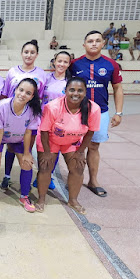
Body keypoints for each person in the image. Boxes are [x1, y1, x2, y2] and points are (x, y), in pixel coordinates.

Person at [36, 77, 101, 214]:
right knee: (45, 167)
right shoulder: (53, 107)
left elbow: (90, 132)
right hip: (50, 141)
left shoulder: (93, 109)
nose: (75, 93)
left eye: (80, 90)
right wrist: (47, 152)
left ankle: (73, 200)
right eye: (72, 90)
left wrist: (80, 151)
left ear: (85, 92)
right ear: (65, 91)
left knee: (78, 168)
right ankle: (41, 199)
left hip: (72, 142)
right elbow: (44, 131)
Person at [70, 30, 123, 197]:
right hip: (77, 111)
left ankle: (93, 180)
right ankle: (73, 178)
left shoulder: (111, 64)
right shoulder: (74, 64)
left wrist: (119, 112)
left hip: (101, 112)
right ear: (84, 44)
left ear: (103, 44)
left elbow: (117, 88)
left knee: (93, 146)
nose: (94, 43)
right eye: (90, 41)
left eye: (97, 41)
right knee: (73, 146)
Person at [0, 78, 41, 210]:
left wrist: (27, 153)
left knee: (27, 164)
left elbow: (28, 133)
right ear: (15, 90)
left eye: (28, 93)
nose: (23, 94)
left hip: (18, 138)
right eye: (21, 90)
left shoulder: (32, 110)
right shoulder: (2, 106)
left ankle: (24, 196)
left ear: (32, 96)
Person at [0, 39, 46, 189]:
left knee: (25, 147)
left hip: (30, 116)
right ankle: (7, 176)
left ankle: (24, 180)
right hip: (12, 115)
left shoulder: (41, 74)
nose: (29, 55)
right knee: (10, 146)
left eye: (32, 52)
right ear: (21, 53)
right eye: (26, 52)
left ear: (37, 55)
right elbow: (6, 94)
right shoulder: (12, 71)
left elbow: (40, 96)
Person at [32, 51, 72, 190]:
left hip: (61, 122)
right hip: (43, 119)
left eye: (65, 62)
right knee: (42, 149)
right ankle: (41, 174)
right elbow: (38, 97)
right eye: (59, 61)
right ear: (54, 62)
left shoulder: (70, 82)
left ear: (69, 64)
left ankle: (48, 176)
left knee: (55, 151)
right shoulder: (46, 78)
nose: (61, 64)